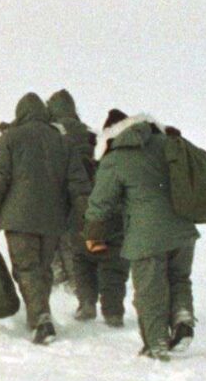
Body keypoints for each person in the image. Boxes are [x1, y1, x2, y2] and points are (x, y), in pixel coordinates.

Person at [84, 114, 198, 360]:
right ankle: (183, 318)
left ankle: (156, 344)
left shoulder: (115, 158)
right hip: (183, 228)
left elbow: (100, 203)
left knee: (149, 289)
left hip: (147, 235)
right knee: (179, 278)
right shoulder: (169, 145)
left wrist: (93, 234)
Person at [0, 93, 78, 344]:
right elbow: (76, 183)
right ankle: (41, 315)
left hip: (18, 218)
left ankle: (41, 320)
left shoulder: (10, 138)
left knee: (26, 268)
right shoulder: (62, 140)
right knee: (42, 269)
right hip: (53, 220)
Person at [49, 92, 98, 301]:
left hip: (56, 193)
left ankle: (59, 280)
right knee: (76, 239)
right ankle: (78, 284)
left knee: (54, 238)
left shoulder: (51, 131)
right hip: (84, 193)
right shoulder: (89, 133)